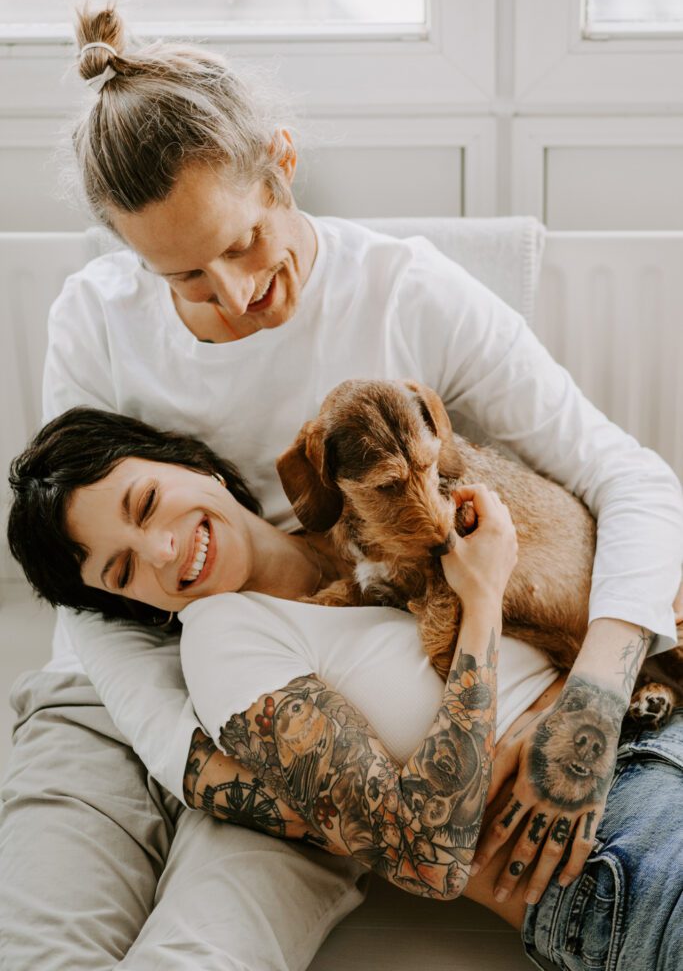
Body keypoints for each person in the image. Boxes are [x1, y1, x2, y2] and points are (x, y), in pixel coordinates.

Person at [0, 0, 681, 969]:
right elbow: (95, 581)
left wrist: (592, 696)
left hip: (347, 686)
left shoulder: (408, 291)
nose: (233, 296)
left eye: (240, 243)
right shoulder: (94, 320)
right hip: (143, 691)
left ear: (281, 161)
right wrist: (196, 766)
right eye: (185, 277)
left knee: (212, 942)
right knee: (39, 936)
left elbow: (626, 474)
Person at [7, 405, 683, 971]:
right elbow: (426, 860)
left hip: (654, 709)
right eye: (123, 570)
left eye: (147, 504)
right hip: (614, 830)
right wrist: (477, 601)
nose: (161, 552)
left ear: (193, 463)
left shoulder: (366, 513)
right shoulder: (224, 638)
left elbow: (623, 502)